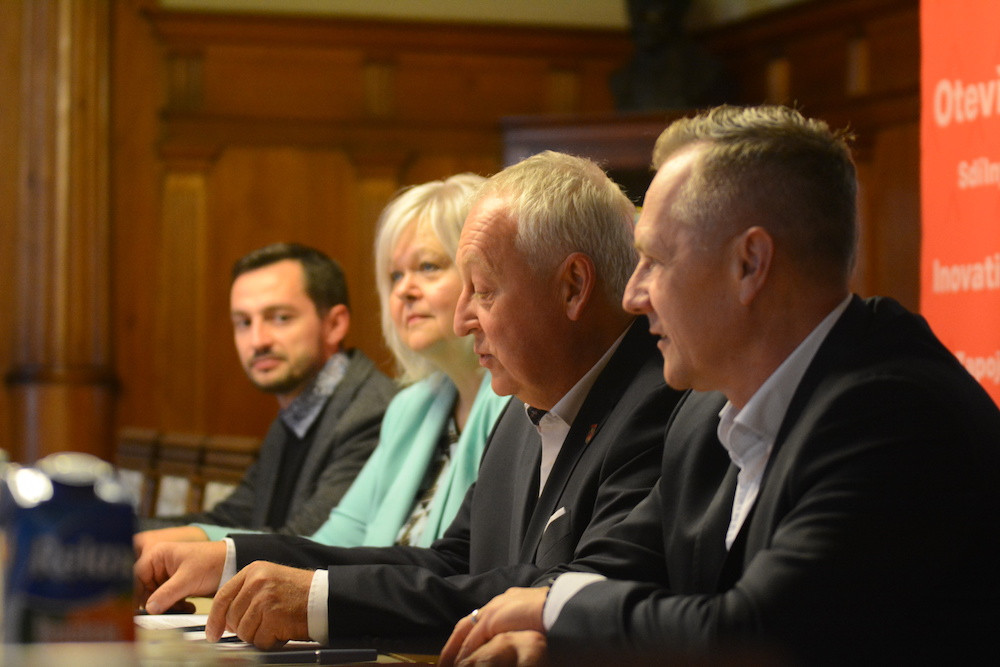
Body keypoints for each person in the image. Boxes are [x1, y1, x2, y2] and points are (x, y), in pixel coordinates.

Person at [440, 105, 1000, 667]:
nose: (633, 294)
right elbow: (613, 572)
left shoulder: (895, 415)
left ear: (749, 264)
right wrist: (553, 634)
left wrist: (557, 614)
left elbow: (760, 636)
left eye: (655, 260)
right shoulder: (703, 413)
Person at [135, 151, 685, 650]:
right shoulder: (524, 407)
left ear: (572, 287)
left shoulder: (658, 403)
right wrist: (235, 560)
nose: (461, 319)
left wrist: (319, 601)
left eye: (483, 290)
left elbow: (570, 592)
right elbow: (449, 562)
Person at [136, 243, 397, 548]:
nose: (257, 340)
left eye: (280, 318)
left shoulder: (372, 413)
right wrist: (114, 530)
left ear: (335, 325)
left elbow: (309, 546)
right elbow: (231, 519)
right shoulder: (295, 413)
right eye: (244, 322)